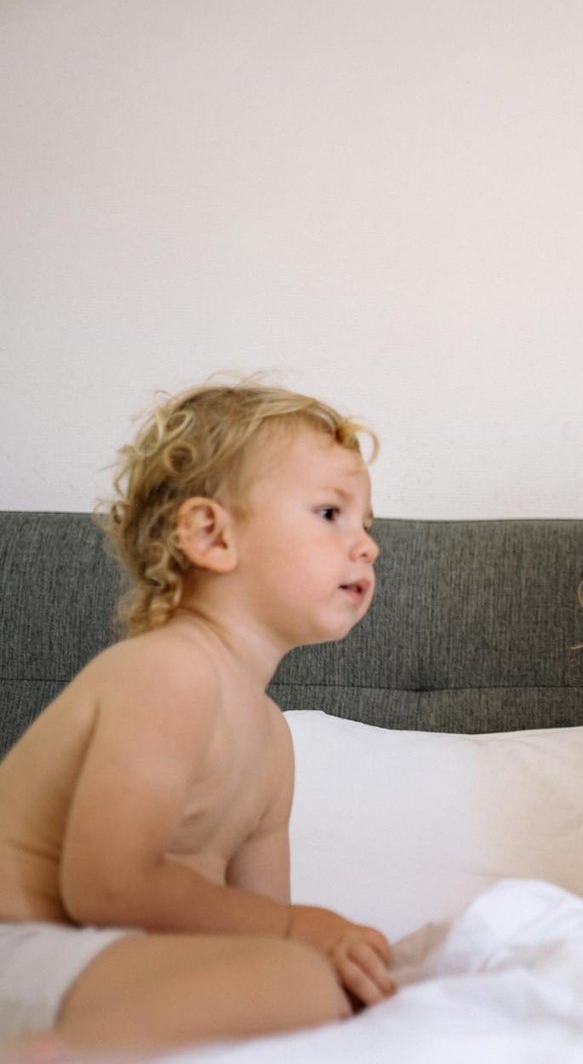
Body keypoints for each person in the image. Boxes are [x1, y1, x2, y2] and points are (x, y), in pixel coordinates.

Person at [0, 381, 395, 1056]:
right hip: (24, 944)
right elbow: (106, 884)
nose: (366, 547)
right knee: (292, 982)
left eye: (367, 524)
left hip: (109, 961)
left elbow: (255, 919)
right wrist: (297, 935)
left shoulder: (272, 739)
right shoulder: (169, 672)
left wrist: (313, 951)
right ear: (212, 534)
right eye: (331, 513)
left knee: (313, 989)